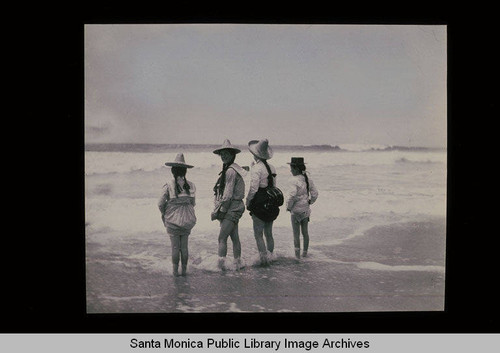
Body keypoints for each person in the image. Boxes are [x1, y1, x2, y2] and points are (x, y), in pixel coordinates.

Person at [158, 153, 197, 277]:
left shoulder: (168, 185)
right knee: (184, 248)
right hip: (187, 219)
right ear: (185, 171)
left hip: (173, 219)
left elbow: (160, 203)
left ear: (173, 171)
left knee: (175, 248)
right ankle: (184, 271)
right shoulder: (191, 185)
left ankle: (175, 273)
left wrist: (164, 213)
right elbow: (193, 203)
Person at [211, 139, 247, 270]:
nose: (223, 156)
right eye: (222, 154)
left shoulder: (230, 171)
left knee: (222, 238)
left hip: (232, 206)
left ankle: (221, 267)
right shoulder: (233, 168)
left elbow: (227, 195)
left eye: (226, 153)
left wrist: (221, 211)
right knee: (234, 236)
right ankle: (238, 263)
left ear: (233, 155)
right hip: (237, 205)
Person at [246, 138, 278, 266]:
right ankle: (270, 257)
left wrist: (248, 201)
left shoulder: (256, 168)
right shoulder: (272, 167)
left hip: (260, 202)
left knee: (258, 234)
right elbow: (274, 185)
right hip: (271, 201)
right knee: (269, 233)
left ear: (255, 154)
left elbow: (254, 188)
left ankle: (264, 261)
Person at [285, 157, 318, 260]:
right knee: (305, 233)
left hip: (295, 210)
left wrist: (288, 207)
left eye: (291, 168)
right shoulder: (308, 179)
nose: (290, 170)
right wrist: (310, 202)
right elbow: (315, 194)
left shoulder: (293, 180)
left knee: (296, 234)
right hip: (305, 210)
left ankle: (297, 256)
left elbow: (292, 196)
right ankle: (305, 253)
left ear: (296, 169)